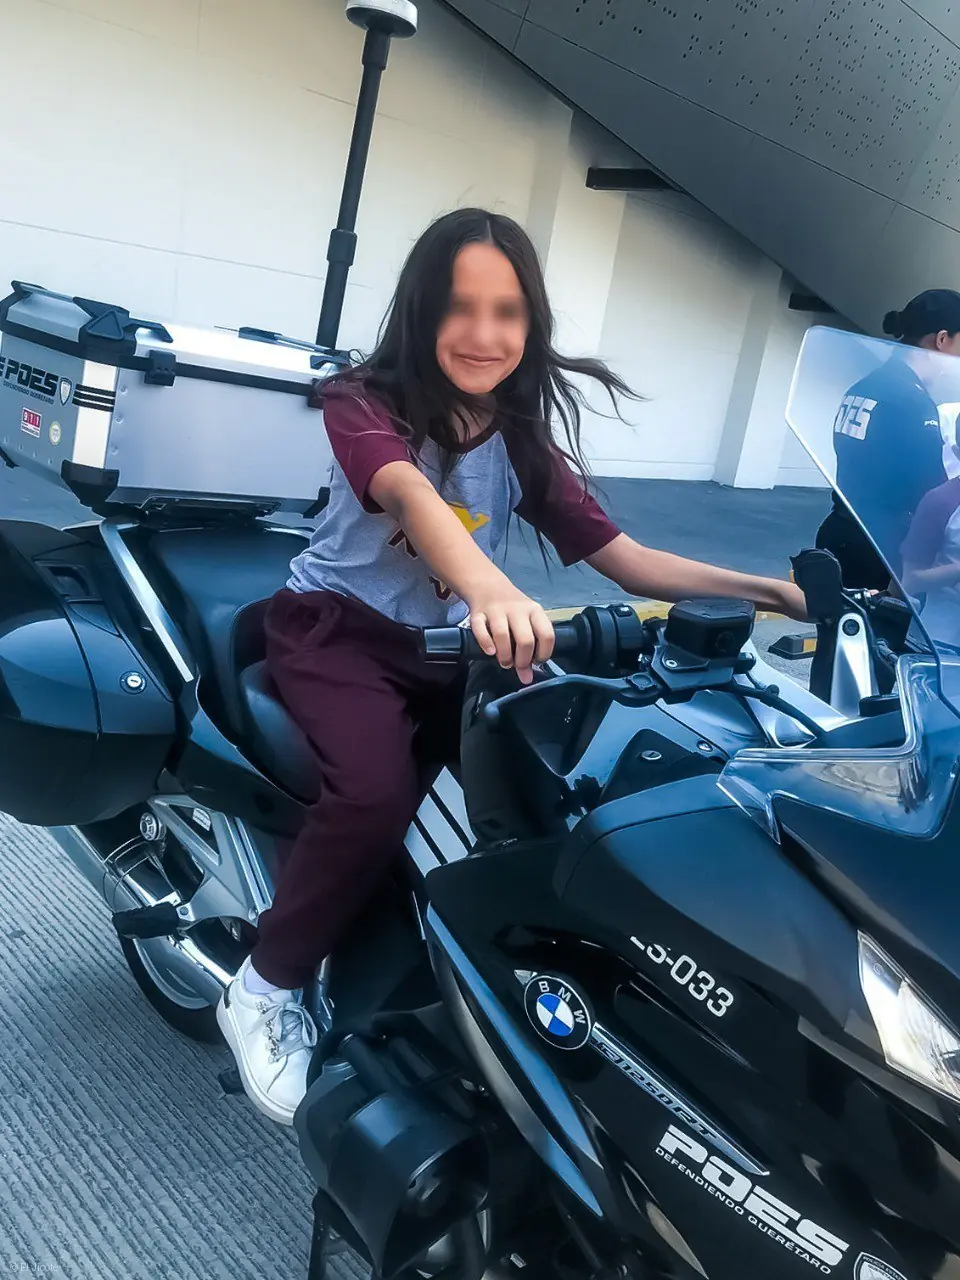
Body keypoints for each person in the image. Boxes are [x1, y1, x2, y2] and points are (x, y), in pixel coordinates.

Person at [216, 207, 807, 1125]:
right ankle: (266, 985)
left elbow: (626, 558)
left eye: (507, 312)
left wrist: (775, 592)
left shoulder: (518, 434)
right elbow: (409, 495)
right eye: (461, 307)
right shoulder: (362, 402)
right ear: (422, 309)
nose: (484, 334)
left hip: (458, 650)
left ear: (531, 324)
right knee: (373, 797)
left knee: (573, 778)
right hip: (338, 634)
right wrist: (492, 589)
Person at [816, 289, 960, 589]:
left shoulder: (865, 386)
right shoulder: (911, 401)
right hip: (879, 546)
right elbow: (929, 488)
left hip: (843, 528)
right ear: (942, 339)